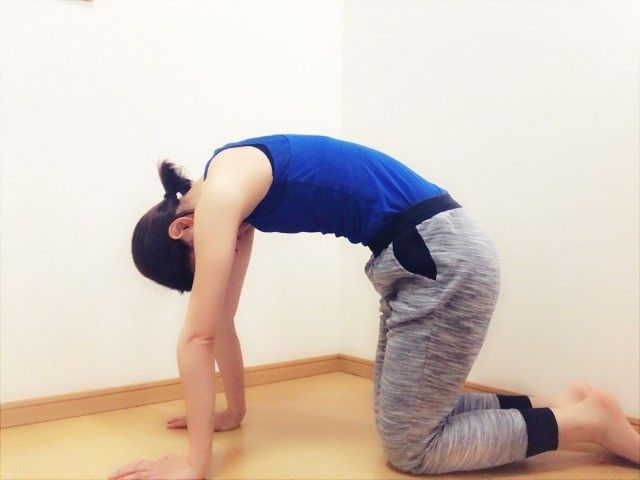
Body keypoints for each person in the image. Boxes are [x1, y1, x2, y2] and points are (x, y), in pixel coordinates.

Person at [111, 134, 640, 479]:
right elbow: (221, 321)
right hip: (420, 259)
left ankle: (586, 423)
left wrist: (195, 465)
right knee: (399, 416)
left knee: (412, 449)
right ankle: (559, 404)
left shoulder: (223, 197)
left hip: (439, 257)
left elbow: (197, 337)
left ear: (183, 228)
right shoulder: (231, 185)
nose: (218, 257)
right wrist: (235, 412)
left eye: (202, 259)